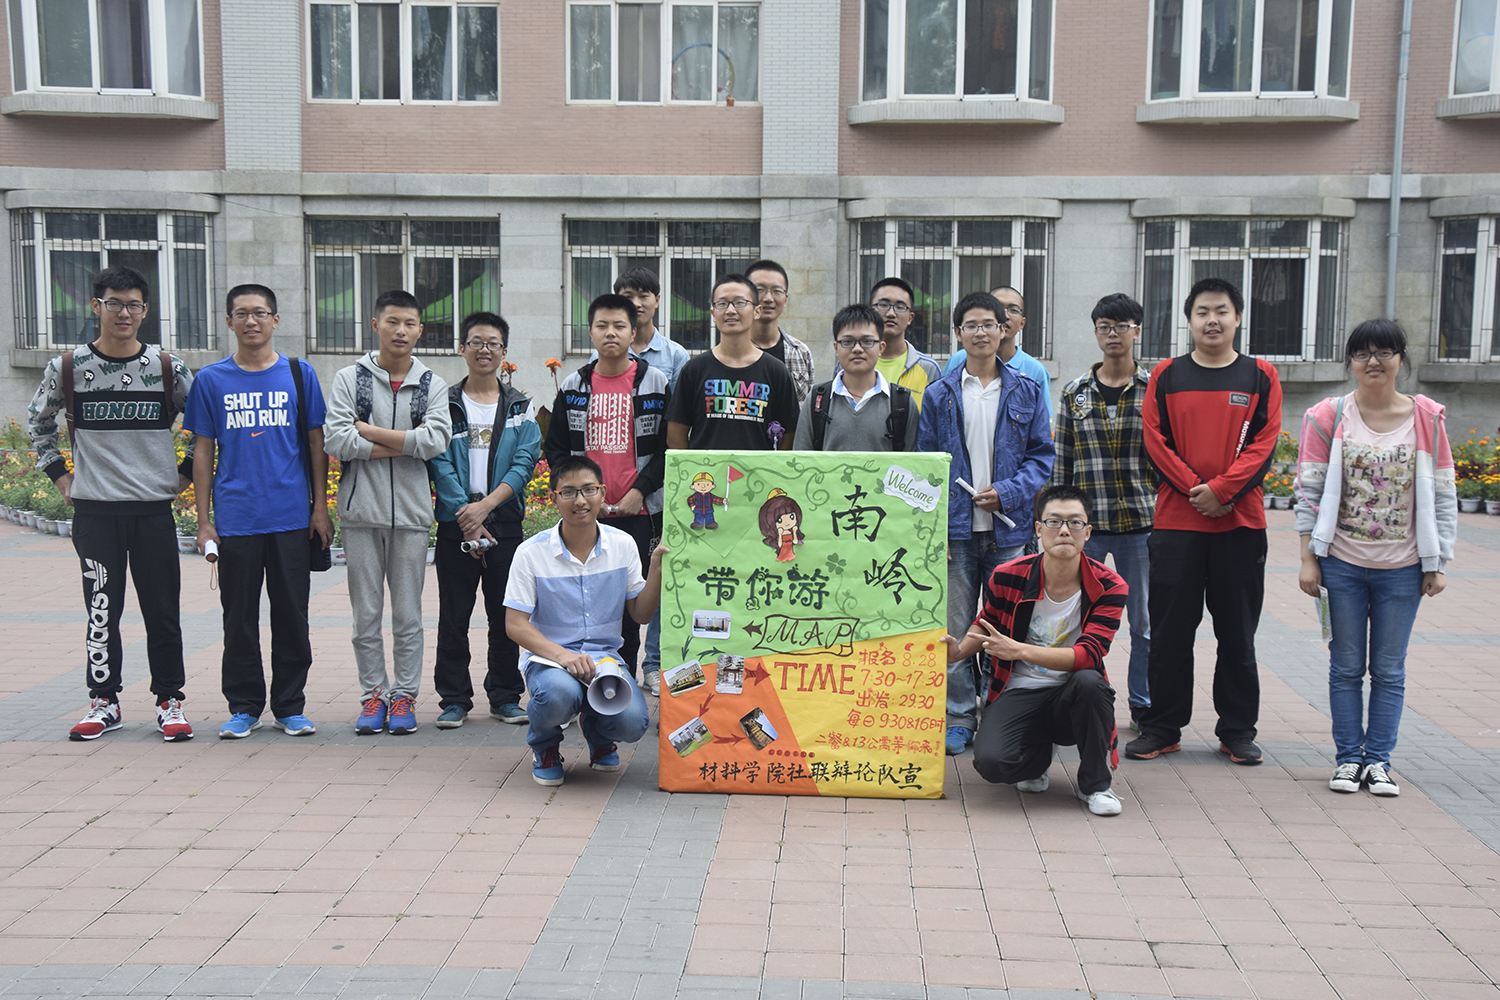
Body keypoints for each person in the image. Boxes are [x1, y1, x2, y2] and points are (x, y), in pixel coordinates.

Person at [27, 265, 198, 742]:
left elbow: (206, 424)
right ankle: (104, 701)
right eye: (115, 304)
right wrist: (60, 477)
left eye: (134, 305)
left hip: (152, 511)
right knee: (102, 609)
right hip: (96, 512)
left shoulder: (167, 367)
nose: (125, 313)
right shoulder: (68, 368)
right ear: (96, 306)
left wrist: (183, 474)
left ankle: (170, 702)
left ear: (145, 310)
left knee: (162, 611)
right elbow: (38, 423)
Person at [1295, 319, 1456, 797]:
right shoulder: (1328, 416)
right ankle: (1349, 759)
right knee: (1345, 666)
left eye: (1384, 352)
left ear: (1400, 359)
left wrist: (1438, 562)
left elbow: (1443, 494)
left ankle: (1379, 761)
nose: (1373, 362)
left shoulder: (1427, 419)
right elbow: (1308, 493)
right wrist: (1308, 559)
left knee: (1389, 670)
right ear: (1351, 361)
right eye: (1363, 353)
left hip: (1403, 569)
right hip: (1341, 564)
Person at [1127, 277, 1281, 766]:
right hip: (1178, 523)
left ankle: (1237, 730)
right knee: (1170, 632)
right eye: (1202, 312)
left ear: (1238, 318)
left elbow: (1264, 443)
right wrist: (1200, 490)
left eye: (1222, 311)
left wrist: (1223, 491)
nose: (1212, 320)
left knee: (1237, 633)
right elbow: (1155, 442)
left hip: (1241, 525)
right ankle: (1161, 726)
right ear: (1189, 320)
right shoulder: (1167, 375)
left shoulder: (1260, 376)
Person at [184, 284, 333, 739]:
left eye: (260, 313)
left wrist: (320, 508)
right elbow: (203, 452)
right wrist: (204, 521)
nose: (251, 321)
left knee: (292, 617)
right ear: (229, 321)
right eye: (242, 313)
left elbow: (316, 444)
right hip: (237, 521)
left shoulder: (299, 374)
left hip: (291, 518)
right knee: (239, 620)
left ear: (276, 320)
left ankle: (290, 706)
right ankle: (244, 707)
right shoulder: (211, 380)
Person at [918, 291, 1054, 758]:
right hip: (956, 533)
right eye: (971, 325)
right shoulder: (939, 394)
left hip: (1008, 532)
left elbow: (1042, 458)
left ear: (1004, 330)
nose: (981, 332)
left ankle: (999, 712)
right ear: (958, 334)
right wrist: (937, 526)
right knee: (956, 630)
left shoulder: (1026, 390)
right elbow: (926, 464)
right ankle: (958, 717)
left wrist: (1009, 492)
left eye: (989, 324)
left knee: (1006, 628)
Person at [950, 485, 1127, 816]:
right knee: (991, 763)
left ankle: (1096, 785)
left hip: (1072, 694)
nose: (1064, 530)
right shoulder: (1008, 575)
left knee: (1092, 683)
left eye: (1075, 522)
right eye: (1054, 521)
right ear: (1038, 529)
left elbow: (1089, 655)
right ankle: (1036, 758)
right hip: (1019, 690)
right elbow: (987, 622)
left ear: (1088, 532)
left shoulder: (1108, 585)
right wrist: (958, 652)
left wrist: (1019, 651)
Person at [325, 290, 452, 735]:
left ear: (420, 330)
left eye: (410, 324)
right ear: (375, 324)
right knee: (365, 616)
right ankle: (373, 696)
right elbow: (337, 440)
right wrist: (403, 444)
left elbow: (435, 441)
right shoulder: (349, 379)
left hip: (412, 516)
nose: (401, 331)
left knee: (408, 617)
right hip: (361, 513)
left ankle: (404, 697)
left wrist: (370, 433)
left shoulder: (432, 383)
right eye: (393, 322)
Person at [504, 456, 668, 786]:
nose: (580, 500)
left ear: (602, 492)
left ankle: (597, 731)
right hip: (550, 661)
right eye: (569, 492)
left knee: (633, 723)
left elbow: (640, 614)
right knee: (558, 694)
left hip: (605, 661)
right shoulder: (530, 553)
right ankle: (544, 746)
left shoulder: (622, 545)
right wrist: (563, 656)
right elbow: (515, 624)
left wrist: (655, 570)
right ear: (554, 498)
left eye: (588, 490)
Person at [546, 293, 671, 695]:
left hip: (638, 513)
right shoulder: (574, 385)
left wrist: (640, 491)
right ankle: (577, 681)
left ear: (634, 332)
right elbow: (556, 449)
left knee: (631, 605)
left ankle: (622, 683)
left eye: (620, 326)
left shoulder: (655, 382)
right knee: (581, 601)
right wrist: (580, 496)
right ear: (591, 333)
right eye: (602, 325)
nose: (611, 333)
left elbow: (668, 448)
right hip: (586, 515)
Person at [428, 311, 540, 729]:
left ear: (504, 351)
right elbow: (438, 460)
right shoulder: (445, 404)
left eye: (493, 343)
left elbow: (525, 462)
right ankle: (454, 699)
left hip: (503, 524)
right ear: (462, 348)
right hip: (456, 524)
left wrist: (486, 508)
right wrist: (468, 515)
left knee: (504, 614)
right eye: (476, 342)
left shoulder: (520, 407)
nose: (484, 350)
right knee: (453, 615)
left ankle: (505, 696)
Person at [1052, 293, 1156, 731]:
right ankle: (1077, 699)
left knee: (1144, 622)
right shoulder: (1075, 392)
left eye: (1121, 326)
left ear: (1137, 331)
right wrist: (1059, 522)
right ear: (1095, 332)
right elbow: (1063, 462)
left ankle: (1144, 705)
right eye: (1104, 327)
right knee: (1078, 617)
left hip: (1142, 525)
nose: (1113, 334)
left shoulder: (1155, 389)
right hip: (1087, 530)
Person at [666, 273, 800, 451]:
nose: (730, 310)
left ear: (757, 311)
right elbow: (675, 434)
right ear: (713, 313)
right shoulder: (694, 369)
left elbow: (791, 433)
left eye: (739, 302)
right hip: (706, 470)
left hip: (758, 469)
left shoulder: (776, 371)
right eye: (722, 304)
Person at [793, 303, 919, 452]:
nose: (857, 349)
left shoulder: (902, 402)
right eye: (847, 342)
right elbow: (802, 460)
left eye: (867, 341)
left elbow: (912, 463)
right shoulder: (816, 400)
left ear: (881, 348)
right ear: (836, 348)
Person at [945, 286, 1054, 421]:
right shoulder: (959, 360)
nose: (1006, 316)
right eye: (999, 307)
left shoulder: (1036, 370)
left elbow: (1042, 423)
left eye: (1013, 310)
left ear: (1022, 323)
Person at [600, 267, 690, 395]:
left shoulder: (676, 356)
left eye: (643, 296)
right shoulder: (602, 355)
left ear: (656, 300)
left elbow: (679, 405)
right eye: (628, 296)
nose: (636, 304)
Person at [869, 277, 941, 410]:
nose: (891, 313)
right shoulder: (852, 362)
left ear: (910, 318)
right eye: (883, 305)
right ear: (870, 311)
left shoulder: (929, 368)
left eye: (900, 307)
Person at [747, 259, 814, 401]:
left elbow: (807, 408)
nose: (768, 298)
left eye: (776, 291)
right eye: (759, 290)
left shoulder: (801, 352)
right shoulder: (732, 352)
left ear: (785, 299)